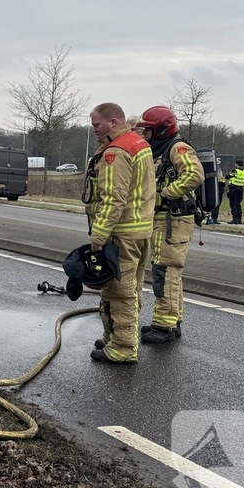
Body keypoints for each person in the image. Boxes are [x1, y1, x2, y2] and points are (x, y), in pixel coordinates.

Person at [83, 102, 156, 364]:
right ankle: (115, 336)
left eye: (97, 124)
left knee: (119, 291)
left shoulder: (117, 150)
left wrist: (98, 236)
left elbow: (113, 199)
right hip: (140, 230)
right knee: (131, 288)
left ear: (113, 122)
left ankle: (123, 348)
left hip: (121, 233)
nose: (93, 129)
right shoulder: (138, 143)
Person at [135, 106, 204, 344]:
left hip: (172, 220)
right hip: (164, 220)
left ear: (163, 130)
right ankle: (173, 322)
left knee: (165, 272)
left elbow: (194, 174)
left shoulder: (177, 148)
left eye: (149, 131)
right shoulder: (161, 151)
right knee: (169, 272)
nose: (145, 136)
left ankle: (163, 326)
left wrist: (164, 193)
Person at [225, 159, 244, 224]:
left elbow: (227, 177)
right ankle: (239, 219)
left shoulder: (235, 171)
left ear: (237, 164)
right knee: (238, 204)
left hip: (234, 189)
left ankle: (235, 219)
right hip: (241, 189)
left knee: (233, 204)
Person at [208, 158, 226, 225]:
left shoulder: (218, 170)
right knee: (215, 204)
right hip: (217, 187)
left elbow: (222, 179)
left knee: (216, 204)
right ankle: (212, 218)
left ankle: (213, 218)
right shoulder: (217, 170)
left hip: (219, 187)